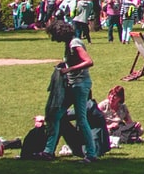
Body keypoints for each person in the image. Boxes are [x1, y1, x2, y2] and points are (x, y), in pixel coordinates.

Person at [40, 17, 100, 161]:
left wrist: (69, 70)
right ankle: (48, 151)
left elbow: (89, 61)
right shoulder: (69, 43)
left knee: (81, 119)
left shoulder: (75, 43)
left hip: (80, 85)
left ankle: (91, 154)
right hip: (70, 84)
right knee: (55, 115)